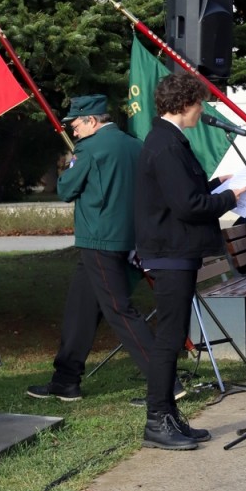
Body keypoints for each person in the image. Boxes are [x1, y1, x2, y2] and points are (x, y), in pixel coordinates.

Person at [135, 73, 246, 450]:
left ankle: (168, 415)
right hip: (170, 252)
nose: (201, 109)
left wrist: (215, 186)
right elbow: (186, 206)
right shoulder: (165, 145)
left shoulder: (169, 141)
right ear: (183, 105)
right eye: (198, 102)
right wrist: (230, 197)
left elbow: (181, 194)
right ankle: (157, 420)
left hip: (175, 251)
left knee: (172, 336)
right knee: (169, 339)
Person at [27, 94, 157, 403]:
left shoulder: (88, 149)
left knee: (120, 312)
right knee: (80, 311)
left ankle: (164, 381)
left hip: (99, 240)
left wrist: (74, 163)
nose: (73, 131)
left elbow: (66, 189)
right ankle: (65, 380)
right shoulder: (135, 145)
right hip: (124, 240)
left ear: (92, 120)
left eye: (75, 125)